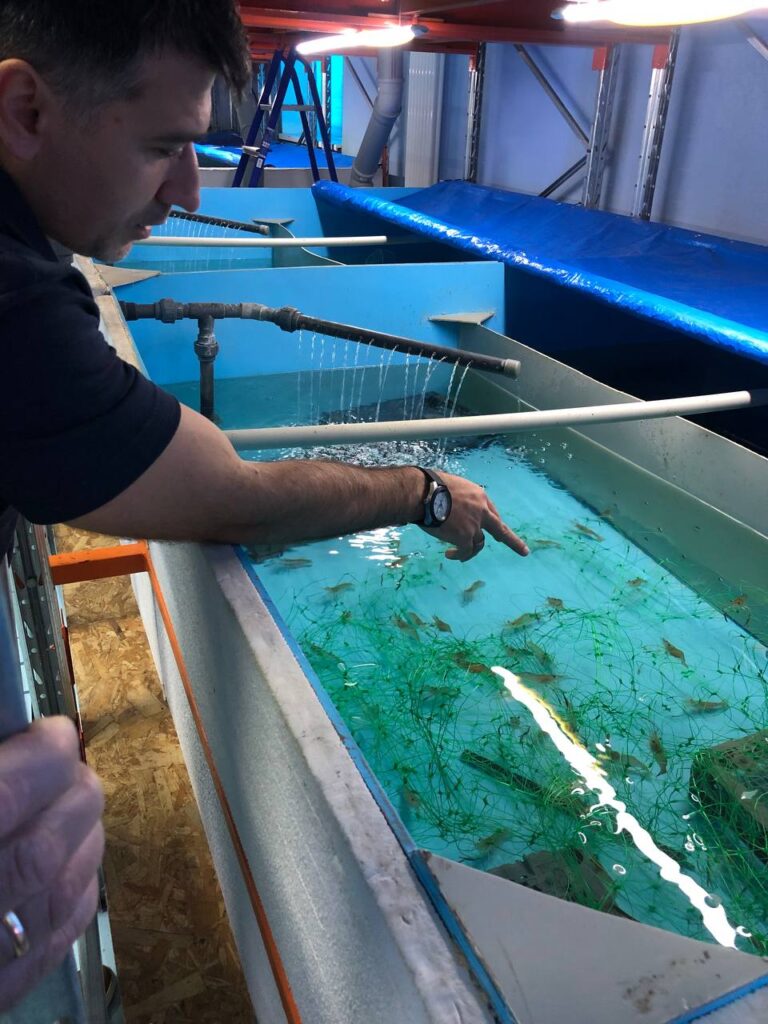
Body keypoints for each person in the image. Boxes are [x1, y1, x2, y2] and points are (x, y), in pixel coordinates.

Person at [0, 0, 528, 1009]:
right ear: (26, 110)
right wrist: (423, 491)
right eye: (164, 146)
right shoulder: (14, 305)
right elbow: (234, 496)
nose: (190, 191)